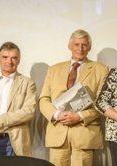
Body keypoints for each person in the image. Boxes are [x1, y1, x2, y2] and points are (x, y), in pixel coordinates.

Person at [39, 29, 110, 166]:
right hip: (58, 132)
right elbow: (43, 100)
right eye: (77, 44)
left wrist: (80, 116)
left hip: (84, 133)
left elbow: (103, 103)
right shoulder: (53, 69)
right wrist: (57, 114)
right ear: (69, 46)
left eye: (84, 45)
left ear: (89, 47)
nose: (80, 48)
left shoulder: (101, 70)